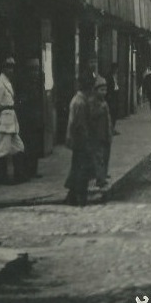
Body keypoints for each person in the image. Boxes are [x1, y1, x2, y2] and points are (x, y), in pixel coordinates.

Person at [0, 56, 26, 185]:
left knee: (19, 147)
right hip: (3, 120)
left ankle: (19, 175)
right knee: (2, 149)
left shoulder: (7, 82)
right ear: (3, 68)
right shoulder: (0, 84)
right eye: (8, 67)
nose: (11, 70)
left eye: (12, 67)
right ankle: (3, 179)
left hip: (11, 119)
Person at [64, 73, 95, 206]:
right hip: (81, 140)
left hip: (76, 139)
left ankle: (71, 197)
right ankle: (80, 198)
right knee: (83, 169)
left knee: (76, 167)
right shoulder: (81, 102)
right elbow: (81, 125)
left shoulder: (77, 99)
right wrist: (88, 142)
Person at [17, 58, 45, 180]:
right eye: (33, 69)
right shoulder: (25, 84)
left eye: (37, 69)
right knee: (28, 146)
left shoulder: (39, 83)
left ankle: (33, 170)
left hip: (36, 118)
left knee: (35, 146)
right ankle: (28, 171)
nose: (36, 72)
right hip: (28, 120)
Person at [90, 76, 113, 189]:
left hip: (106, 134)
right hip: (97, 135)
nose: (104, 92)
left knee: (105, 156)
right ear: (95, 90)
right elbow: (91, 116)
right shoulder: (93, 102)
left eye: (105, 90)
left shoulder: (104, 101)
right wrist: (100, 109)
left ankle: (103, 175)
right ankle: (100, 179)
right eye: (101, 90)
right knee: (99, 157)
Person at [107, 63, 121, 135]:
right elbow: (109, 87)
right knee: (112, 113)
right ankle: (111, 129)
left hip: (115, 96)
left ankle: (113, 128)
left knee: (115, 113)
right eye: (115, 69)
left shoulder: (116, 76)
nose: (116, 70)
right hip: (111, 97)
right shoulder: (109, 77)